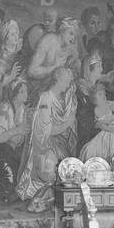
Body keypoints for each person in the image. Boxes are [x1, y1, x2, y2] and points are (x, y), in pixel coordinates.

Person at [16, 66, 77, 212]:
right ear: (59, 80)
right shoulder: (46, 98)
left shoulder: (62, 99)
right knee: (53, 174)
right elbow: (44, 130)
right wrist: (66, 123)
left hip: (60, 143)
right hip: (45, 146)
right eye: (67, 81)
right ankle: (42, 198)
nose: (68, 85)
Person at [0, 80, 29, 203]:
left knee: (24, 162)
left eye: (25, 91)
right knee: (9, 172)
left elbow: (21, 133)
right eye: (22, 91)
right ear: (15, 94)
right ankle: (5, 193)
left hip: (8, 146)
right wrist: (17, 131)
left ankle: (16, 192)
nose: (26, 94)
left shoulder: (22, 108)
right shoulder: (5, 108)